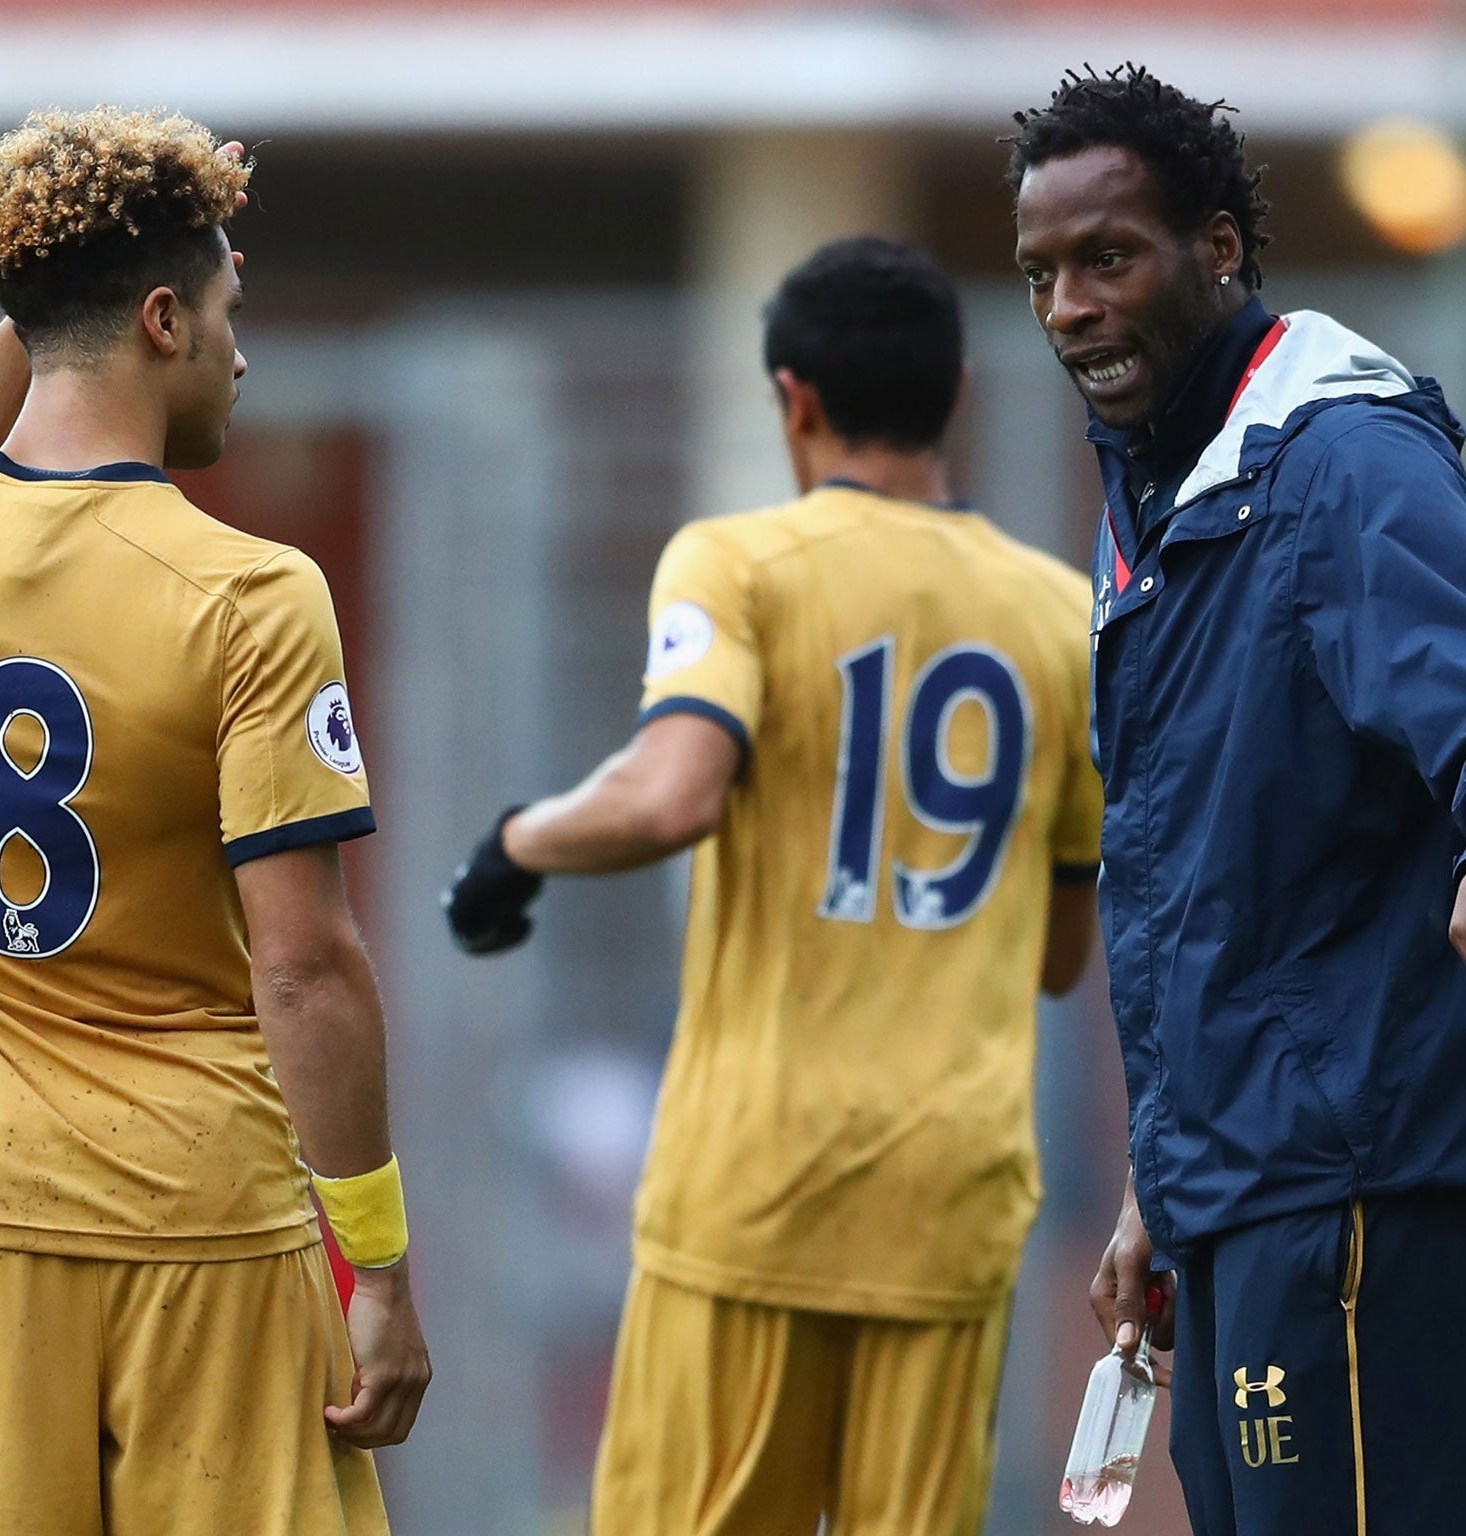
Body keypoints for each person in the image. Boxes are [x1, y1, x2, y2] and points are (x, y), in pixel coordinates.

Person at [0, 109, 429, 1536]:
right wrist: (374, 1270)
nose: (239, 351)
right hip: (202, 1227)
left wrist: (44, 294)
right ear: (161, 320)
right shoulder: (254, 596)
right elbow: (305, 965)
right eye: (222, 311)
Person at [1007, 66, 1466, 1536]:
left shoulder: (1340, 463)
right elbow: (1226, 887)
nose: (1071, 306)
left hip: (1365, 1164)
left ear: (1217, 248)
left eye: (1109, 258)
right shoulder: (1163, 495)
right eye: (1040, 275)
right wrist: (1170, 1176)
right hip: (1254, 1174)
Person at [444, 236, 1103, 1536]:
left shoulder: (738, 563)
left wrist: (515, 845)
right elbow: (1060, 956)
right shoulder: (1062, 615)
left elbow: (671, 790)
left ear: (792, 399)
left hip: (761, 1181)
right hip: (953, 1190)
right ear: (957, 389)